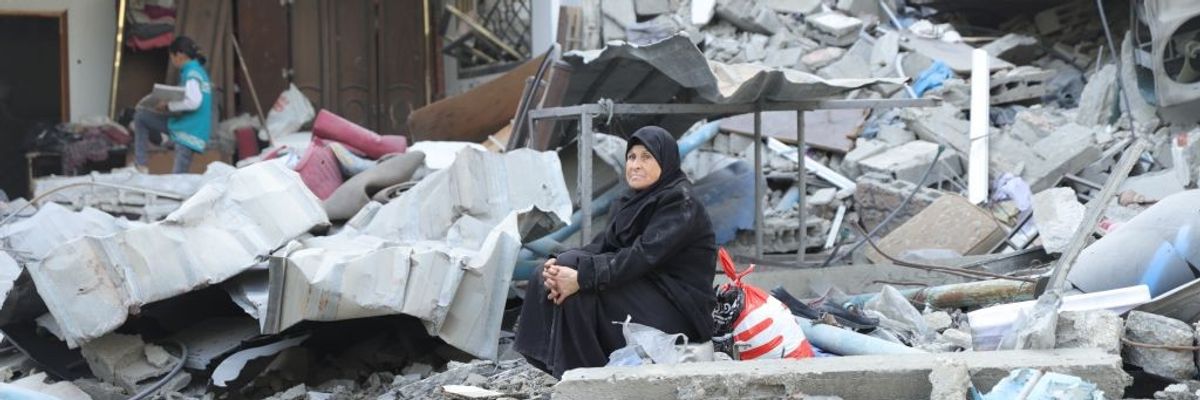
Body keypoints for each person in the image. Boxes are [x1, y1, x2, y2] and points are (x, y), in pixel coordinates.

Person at [514, 125, 717, 379]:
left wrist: (581, 278)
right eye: (631, 157)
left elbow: (641, 256)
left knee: (582, 292)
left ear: (666, 161)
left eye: (646, 157)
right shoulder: (629, 202)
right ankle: (563, 369)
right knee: (553, 270)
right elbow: (602, 247)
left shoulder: (680, 202)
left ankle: (587, 376)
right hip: (645, 289)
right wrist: (557, 265)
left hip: (678, 307)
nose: (636, 165)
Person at [132, 36, 212, 173]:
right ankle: (141, 164)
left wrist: (169, 105)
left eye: (172, 57)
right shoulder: (197, 71)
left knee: (178, 180)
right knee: (141, 116)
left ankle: (142, 163)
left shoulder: (192, 73)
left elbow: (194, 102)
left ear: (179, 55)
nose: (173, 61)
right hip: (186, 125)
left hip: (189, 129)